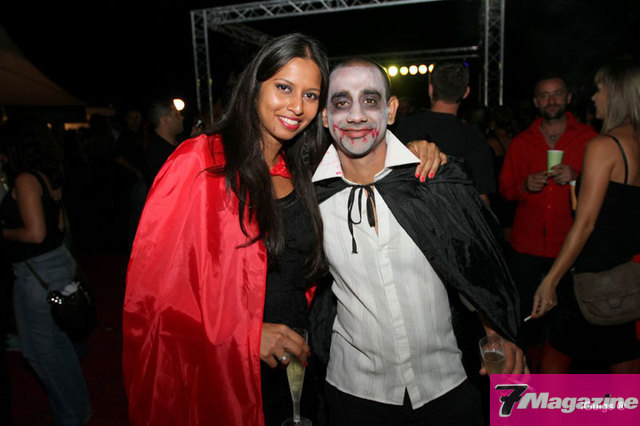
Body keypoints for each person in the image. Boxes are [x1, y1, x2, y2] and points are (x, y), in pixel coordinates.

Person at [122, 33, 446, 426]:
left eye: (311, 95)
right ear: (255, 85)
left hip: (298, 365)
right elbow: (150, 299)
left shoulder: (303, 170)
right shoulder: (200, 162)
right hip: (231, 372)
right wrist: (245, 335)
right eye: (284, 88)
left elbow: (367, 163)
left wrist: (417, 151)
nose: (296, 106)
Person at [311, 58, 524, 426]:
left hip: (447, 383)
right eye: (342, 103)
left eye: (370, 100)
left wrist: (495, 332)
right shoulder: (311, 200)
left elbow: (476, 264)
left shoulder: (431, 181)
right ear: (326, 117)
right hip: (355, 391)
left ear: (391, 110)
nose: (356, 115)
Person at [532, 56, 640, 373]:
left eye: (599, 90)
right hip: (627, 274)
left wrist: (551, 281)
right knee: (625, 371)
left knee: (552, 368)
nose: (594, 97)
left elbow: (586, 222)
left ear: (616, 94)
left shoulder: (604, 145)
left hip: (592, 277)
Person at [498, 76, 597, 372]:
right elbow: (505, 190)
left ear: (568, 98)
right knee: (525, 323)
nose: (551, 101)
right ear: (535, 101)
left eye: (557, 94)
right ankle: (525, 384)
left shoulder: (589, 139)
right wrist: (524, 185)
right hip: (526, 248)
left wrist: (577, 177)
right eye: (544, 95)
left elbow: (607, 187)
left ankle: (557, 390)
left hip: (569, 248)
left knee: (567, 330)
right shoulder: (522, 142)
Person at [0, 117, 92, 426]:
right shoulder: (47, 173)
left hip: (38, 273)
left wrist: (4, 231)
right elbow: (59, 226)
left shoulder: (26, 179)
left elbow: (36, 233)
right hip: (54, 265)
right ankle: (76, 409)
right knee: (56, 345)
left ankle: (72, 413)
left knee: (40, 351)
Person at [395, 61, 496, 204]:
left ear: (430, 89)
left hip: (410, 214)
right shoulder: (473, 137)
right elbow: (481, 198)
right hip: (457, 216)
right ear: (466, 92)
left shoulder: (406, 126)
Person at [143, 97, 184, 186]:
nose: (182, 118)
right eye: (177, 115)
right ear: (165, 120)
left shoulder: (178, 145)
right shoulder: (156, 154)